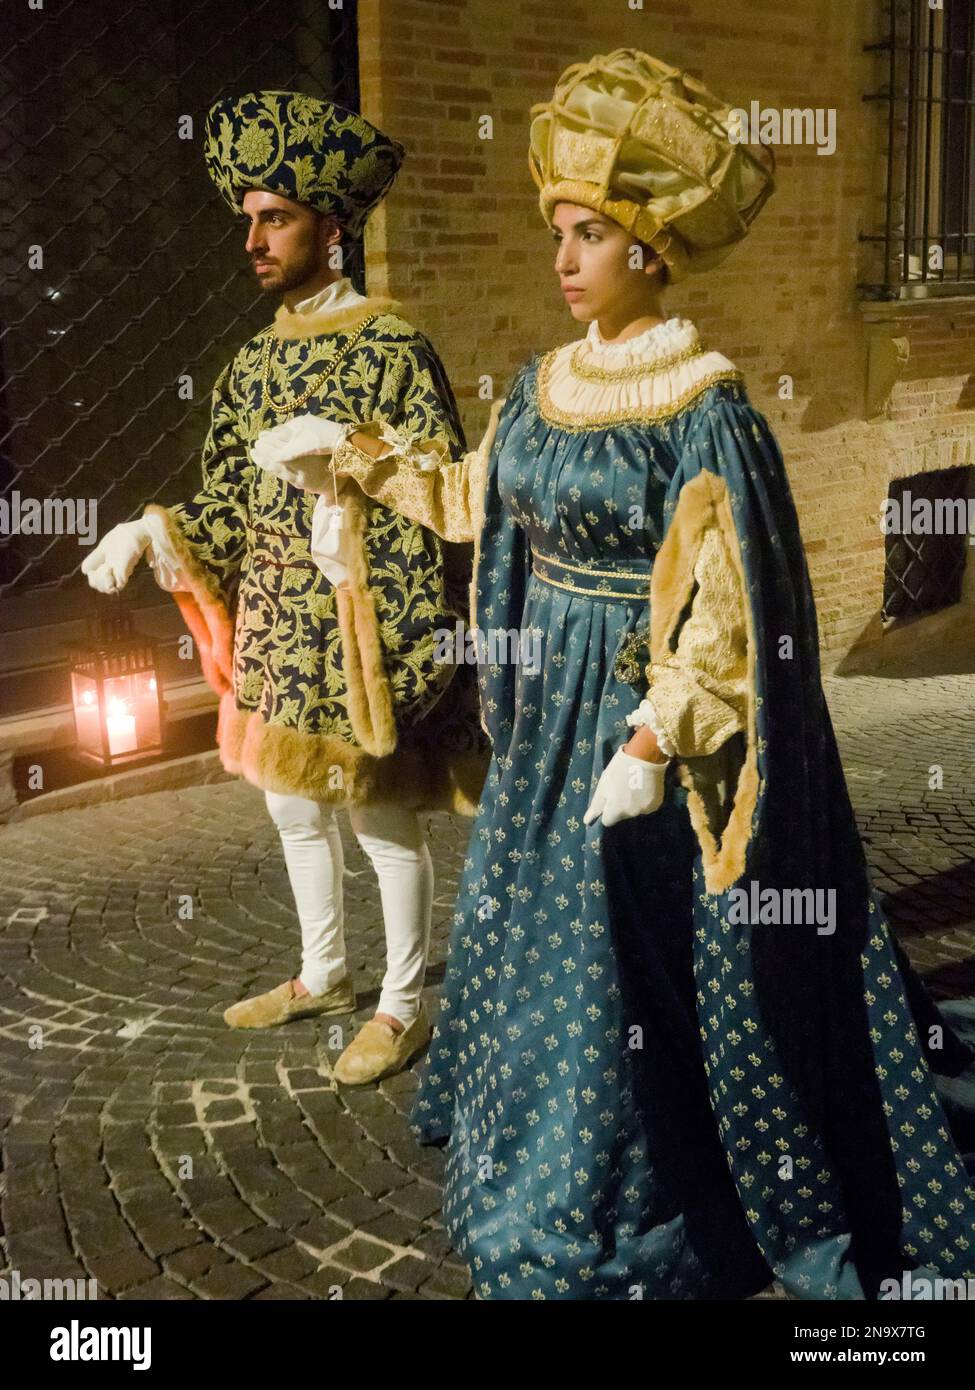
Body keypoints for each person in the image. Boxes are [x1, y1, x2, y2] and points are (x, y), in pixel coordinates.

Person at [273, 50, 975, 1300]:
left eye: (589, 233)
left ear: (650, 248)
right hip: (550, 718)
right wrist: (359, 463)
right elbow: (478, 500)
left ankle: (642, 1184)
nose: (564, 257)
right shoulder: (545, 386)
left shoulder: (707, 408)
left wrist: (655, 745)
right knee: (537, 928)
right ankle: (536, 1147)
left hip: (637, 725)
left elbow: (731, 613)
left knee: (629, 951)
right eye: (558, 230)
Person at [82, 90, 488, 1086]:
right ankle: (324, 974)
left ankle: (400, 1005)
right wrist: (157, 530)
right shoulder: (252, 362)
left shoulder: (394, 349)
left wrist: (355, 463)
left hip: (357, 632)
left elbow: (436, 492)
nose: (255, 241)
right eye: (249, 221)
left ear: (332, 227)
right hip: (272, 632)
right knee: (291, 811)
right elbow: (228, 496)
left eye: (278, 219)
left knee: (379, 817)